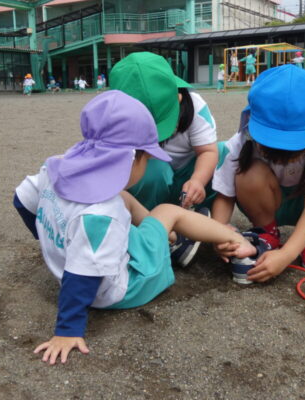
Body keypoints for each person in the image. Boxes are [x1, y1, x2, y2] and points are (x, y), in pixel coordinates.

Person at [13, 91, 255, 364]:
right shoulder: (101, 214)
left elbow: (22, 199)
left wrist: (52, 240)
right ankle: (236, 240)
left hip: (74, 268)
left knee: (122, 197)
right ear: (130, 160)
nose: (148, 163)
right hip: (124, 287)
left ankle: (167, 238)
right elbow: (82, 276)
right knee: (167, 211)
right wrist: (67, 331)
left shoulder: (54, 169)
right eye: (147, 158)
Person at [212, 65, 305, 283]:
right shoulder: (240, 142)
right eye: (270, 145)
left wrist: (287, 255)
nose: (281, 156)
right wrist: (218, 235)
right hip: (264, 201)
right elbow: (224, 196)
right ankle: (267, 232)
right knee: (249, 172)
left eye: (293, 148)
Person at [110, 52, 226, 212]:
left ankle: (204, 214)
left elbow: (208, 151)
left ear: (178, 98)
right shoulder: (115, 120)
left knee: (222, 152)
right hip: (154, 181)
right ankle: (149, 215)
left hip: (188, 174)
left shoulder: (195, 106)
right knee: (154, 168)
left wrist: (198, 180)